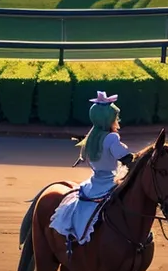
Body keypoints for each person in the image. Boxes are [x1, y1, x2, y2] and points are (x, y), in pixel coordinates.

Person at [50, 91, 133, 244]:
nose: (116, 121)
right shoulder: (111, 138)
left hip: (94, 182)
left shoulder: (91, 138)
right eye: (115, 118)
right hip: (109, 182)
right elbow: (127, 159)